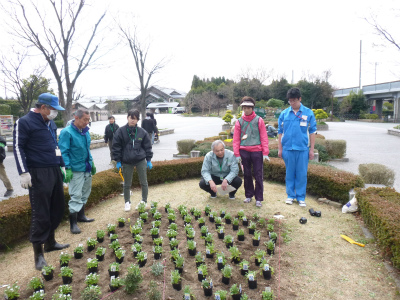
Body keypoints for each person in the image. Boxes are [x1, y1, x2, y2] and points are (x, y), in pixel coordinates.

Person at [13, 92, 69, 270]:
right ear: (43, 107)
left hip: (54, 170)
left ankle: (50, 242)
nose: (55, 113)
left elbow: (55, 145)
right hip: (37, 172)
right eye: (53, 109)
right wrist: (23, 172)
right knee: (41, 213)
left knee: (57, 207)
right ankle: (38, 255)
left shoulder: (50, 122)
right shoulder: (25, 122)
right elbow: (17, 146)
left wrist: (62, 165)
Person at [58, 108, 96, 234]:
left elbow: (87, 149)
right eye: (85, 120)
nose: (87, 122)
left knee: (86, 191)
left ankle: (81, 216)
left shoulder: (85, 132)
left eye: (88, 120)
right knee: (76, 195)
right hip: (75, 169)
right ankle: (73, 224)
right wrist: (67, 168)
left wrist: (92, 162)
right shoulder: (67, 132)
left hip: (86, 167)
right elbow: (64, 152)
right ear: (76, 117)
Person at [278, 87, 317, 207]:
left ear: (300, 99)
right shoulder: (284, 113)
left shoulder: (308, 113)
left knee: (301, 174)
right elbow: (280, 132)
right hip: (288, 149)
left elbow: (312, 131)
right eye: (290, 101)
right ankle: (290, 196)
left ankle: (300, 197)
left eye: (294, 100)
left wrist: (311, 150)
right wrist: (280, 149)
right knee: (289, 173)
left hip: (302, 149)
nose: (292, 103)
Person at [112, 109, 153, 211]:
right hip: (126, 161)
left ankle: (144, 200)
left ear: (138, 120)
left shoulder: (142, 132)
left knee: (144, 181)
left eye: (135, 119)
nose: (132, 120)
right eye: (131, 118)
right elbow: (116, 147)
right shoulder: (120, 131)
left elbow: (148, 146)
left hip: (140, 160)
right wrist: (118, 161)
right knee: (127, 183)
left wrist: (148, 159)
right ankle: (127, 202)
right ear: (127, 118)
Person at [233, 96, 269, 207]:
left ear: (252, 108)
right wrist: (237, 154)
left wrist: (265, 152)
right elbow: (236, 139)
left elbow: (263, 136)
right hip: (244, 151)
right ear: (242, 108)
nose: (247, 110)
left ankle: (259, 198)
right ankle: (248, 195)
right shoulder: (239, 122)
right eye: (244, 107)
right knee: (247, 174)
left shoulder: (259, 120)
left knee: (258, 174)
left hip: (257, 151)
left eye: (249, 107)